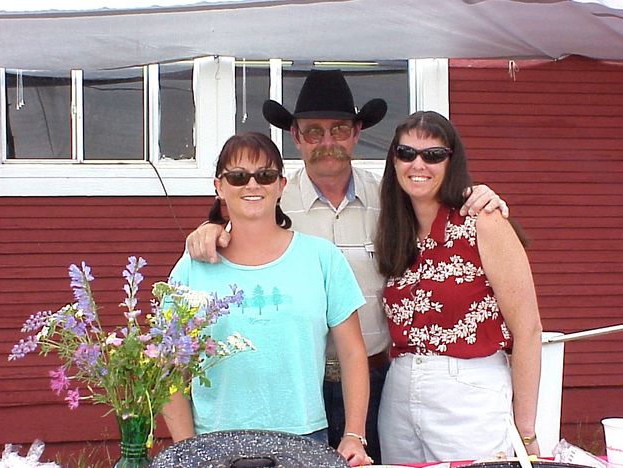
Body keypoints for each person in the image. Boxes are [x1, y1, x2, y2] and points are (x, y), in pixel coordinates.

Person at [186, 69, 508, 464]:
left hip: (374, 379)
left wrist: (478, 194)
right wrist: (209, 228)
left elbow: (436, 200)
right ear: (296, 137)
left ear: (356, 132)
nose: (327, 142)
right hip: (302, 390)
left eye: (338, 130)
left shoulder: (392, 199)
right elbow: (236, 223)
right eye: (313, 131)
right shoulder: (272, 199)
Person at [161, 132, 373, 466]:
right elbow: (168, 365)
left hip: (303, 439)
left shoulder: (321, 257)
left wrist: (354, 434)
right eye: (238, 176)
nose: (252, 184)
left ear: (280, 185)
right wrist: (187, 450)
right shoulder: (192, 268)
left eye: (265, 175)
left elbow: (351, 352)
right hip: (213, 442)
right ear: (219, 186)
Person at [375, 111, 543, 464]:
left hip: (468, 389)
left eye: (433, 155)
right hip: (400, 388)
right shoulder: (395, 229)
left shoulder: (482, 220)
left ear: (452, 160)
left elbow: (527, 329)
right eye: (406, 153)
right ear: (394, 160)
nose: (418, 164)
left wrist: (526, 430)